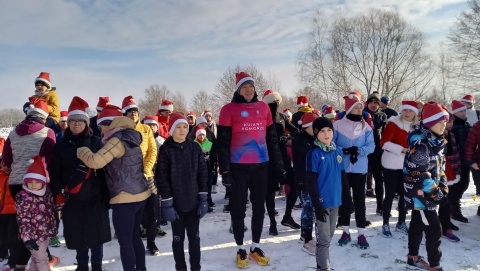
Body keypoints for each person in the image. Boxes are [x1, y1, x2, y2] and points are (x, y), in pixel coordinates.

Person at [217, 72, 284, 268]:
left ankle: (255, 246)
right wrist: (225, 171)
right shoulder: (228, 110)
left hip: (261, 166)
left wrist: (278, 166)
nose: (249, 89)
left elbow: (272, 140)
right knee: (238, 209)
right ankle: (240, 248)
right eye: (244, 86)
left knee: (259, 208)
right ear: (238, 89)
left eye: (251, 86)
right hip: (238, 167)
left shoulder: (263, 108)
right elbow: (222, 143)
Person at [76, 104, 151, 271]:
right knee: (134, 237)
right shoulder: (131, 137)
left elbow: (95, 161)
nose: (100, 129)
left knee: (125, 242)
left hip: (125, 197)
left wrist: (82, 151)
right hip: (140, 194)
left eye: (101, 125)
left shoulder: (116, 140)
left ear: (109, 124)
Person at [48, 97, 111, 271]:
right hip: (72, 198)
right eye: (73, 121)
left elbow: (106, 170)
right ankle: (82, 265)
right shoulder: (60, 147)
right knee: (78, 235)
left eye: (80, 121)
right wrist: (57, 192)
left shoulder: (96, 142)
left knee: (96, 236)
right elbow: (55, 172)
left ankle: (97, 266)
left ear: (86, 123)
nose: (77, 124)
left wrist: (106, 195)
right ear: (68, 123)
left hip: (95, 197)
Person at [2, 97, 58, 271]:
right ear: (43, 117)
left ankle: (22, 262)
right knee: (39, 224)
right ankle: (35, 261)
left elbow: (6, 160)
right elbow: (53, 159)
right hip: (39, 183)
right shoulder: (47, 132)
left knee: (23, 224)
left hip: (16, 183)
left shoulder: (13, 133)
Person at [156, 113, 208, 271]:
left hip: (193, 203)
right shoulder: (165, 150)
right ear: (171, 129)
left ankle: (195, 268)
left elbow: (202, 174)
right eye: (178, 127)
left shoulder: (195, 148)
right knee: (178, 240)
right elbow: (162, 178)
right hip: (176, 206)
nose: (182, 130)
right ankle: (181, 268)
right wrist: (167, 204)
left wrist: (203, 199)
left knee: (195, 239)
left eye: (185, 126)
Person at [403, 101, 448, 271]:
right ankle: (435, 266)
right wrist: (435, 193)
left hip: (428, 194)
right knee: (434, 230)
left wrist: (443, 186)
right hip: (420, 195)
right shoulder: (421, 144)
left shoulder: (436, 142)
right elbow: (419, 174)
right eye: (440, 122)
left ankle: (412, 258)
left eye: (445, 122)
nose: (443, 126)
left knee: (417, 224)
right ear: (429, 122)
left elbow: (439, 168)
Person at [334, 94, 375, 249]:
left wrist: (359, 151)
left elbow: (371, 146)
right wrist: (343, 150)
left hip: (359, 169)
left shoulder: (366, 127)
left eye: (360, 107)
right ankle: (345, 231)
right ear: (349, 108)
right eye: (355, 107)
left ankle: (361, 233)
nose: (359, 110)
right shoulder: (337, 125)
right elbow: (331, 144)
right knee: (345, 201)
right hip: (343, 168)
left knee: (359, 201)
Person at [121, 96, 159, 255]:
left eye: (135, 112)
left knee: (153, 208)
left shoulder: (146, 129)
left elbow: (152, 151)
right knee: (134, 211)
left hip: (147, 175)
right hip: (129, 177)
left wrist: (146, 168)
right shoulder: (120, 131)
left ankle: (152, 242)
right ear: (124, 115)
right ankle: (134, 242)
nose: (133, 115)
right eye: (130, 112)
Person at [306, 117, 343, 271]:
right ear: (316, 133)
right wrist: (317, 204)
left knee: (330, 236)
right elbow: (311, 180)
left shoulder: (338, 151)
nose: (326, 134)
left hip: (336, 201)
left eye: (329, 130)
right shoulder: (313, 153)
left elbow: (343, 176)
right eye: (322, 131)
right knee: (324, 240)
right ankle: (323, 267)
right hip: (322, 203)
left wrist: (347, 200)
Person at [262, 90, 300, 235]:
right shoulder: (261, 117)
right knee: (270, 192)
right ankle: (272, 222)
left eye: (277, 102)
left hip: (283, 157)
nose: (275, 105)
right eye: (272, 103)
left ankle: (287, 216)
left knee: (294, 185)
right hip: (268, 158)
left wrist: (288, 136)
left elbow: (295, 130)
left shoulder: (282, 116)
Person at [379, 100, 417, 237]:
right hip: (392, 164)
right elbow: (383, 143)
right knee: (389, 195)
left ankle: (401, 222)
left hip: (408, 166)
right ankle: (385, 223)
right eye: (405, 110)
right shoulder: (393, 122)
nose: (407, 113)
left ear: (415, 113)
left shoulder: (416, 127)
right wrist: (402, 150)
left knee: (404, 195)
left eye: (410, 111)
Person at [15, 155, 57, 271]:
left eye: (37, 182)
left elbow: (52, 210)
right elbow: (22, 218)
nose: (33, 185)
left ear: (43, 183)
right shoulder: (24, 197)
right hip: (32, 236)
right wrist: (27, 238)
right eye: (30, 182)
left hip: (45, 233)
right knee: (42, 259)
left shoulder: (46, 194)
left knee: (36, 259)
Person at [292, 112, 318, 255]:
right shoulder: (300, 140)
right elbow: (311, 154)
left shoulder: (315, 139)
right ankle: (307, 237)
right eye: (313, 126)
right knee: (308, 208)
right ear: (306, 127)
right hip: (302, 179)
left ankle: (306, 234)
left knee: (312, 207)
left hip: (313, 179)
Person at [448, 100, 472, 223]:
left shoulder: (466, 124)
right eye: (460, 111)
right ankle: (454, 210)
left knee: (464, 184)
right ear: (455, 113)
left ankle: (453, 206)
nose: (463, 113)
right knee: (455, 187)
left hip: (466, 160)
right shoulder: (452, 125)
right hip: (455, 161)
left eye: (464, 110)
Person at [363, 92, 387, 208]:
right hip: (363, 151)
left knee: (378, 178)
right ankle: (359, 207)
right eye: (371, 102)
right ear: (367, 103)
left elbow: (386, 134)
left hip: (377, 151)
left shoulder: (382, 115)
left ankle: (380, 206)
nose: (373, 105)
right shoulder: (361, 114)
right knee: (360, 180)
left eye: (376, 103)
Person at [442, 116, 461, 242]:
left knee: (448, 198)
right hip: (440, 169)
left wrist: (457, 169)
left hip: (451, 169)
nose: (450, 124)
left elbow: (455, 153)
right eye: (448, 121)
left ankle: (446, 223)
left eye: (451, 122)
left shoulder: (452, 135)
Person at [193, 126, 217, 212]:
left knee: (208, 186)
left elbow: (214, 157)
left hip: (208, 168)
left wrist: (214, 169)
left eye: (203, 135)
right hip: (197, 170)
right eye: (199, 135)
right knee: (199, 187)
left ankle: (208, 201)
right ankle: (199, 203)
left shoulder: (210, 144)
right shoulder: (193, 144)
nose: (201, 137)